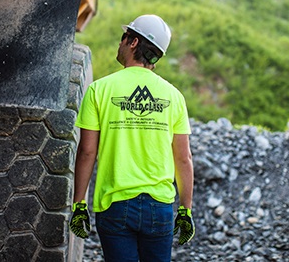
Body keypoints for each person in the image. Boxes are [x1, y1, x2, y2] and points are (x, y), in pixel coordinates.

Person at [69, 14, 195, 261]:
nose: (120, 44)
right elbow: (183, 159)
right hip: (159, 207)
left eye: (123, 38)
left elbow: (87, 152)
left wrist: (78, 204)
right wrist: (185, 210)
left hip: (115, 205)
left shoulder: (99, 90)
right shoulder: (174, 96)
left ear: (134, 42)